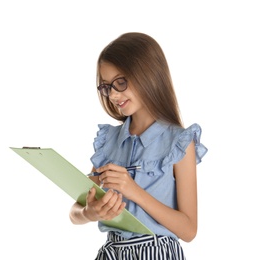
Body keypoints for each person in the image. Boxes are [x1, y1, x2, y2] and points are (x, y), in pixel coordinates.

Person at [69, 32, 208, 260]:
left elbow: (189, 229)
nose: (113, 94)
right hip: (112, 253)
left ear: (148, 74)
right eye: (106, 87)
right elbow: (75, 212)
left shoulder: (179, 142)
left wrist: (135, 192)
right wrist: (88, 212)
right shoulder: (108, 141)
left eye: (120, 82)